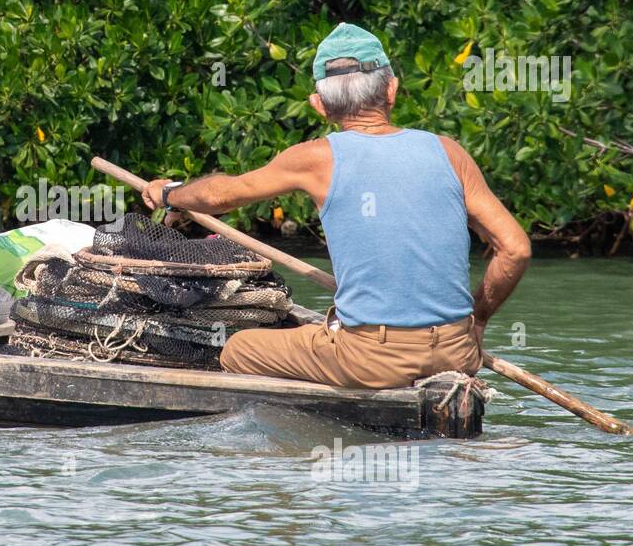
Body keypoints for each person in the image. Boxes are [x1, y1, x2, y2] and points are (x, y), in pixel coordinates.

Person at [142, 22, 531, 389]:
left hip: (371, 360)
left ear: (319, 106)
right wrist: (476, 322)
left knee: (238, 347)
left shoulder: (316, 158)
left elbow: (218, 196)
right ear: (391, 90)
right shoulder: (449, 152)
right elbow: (515, 249)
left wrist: (169, 194)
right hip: (456, 353)